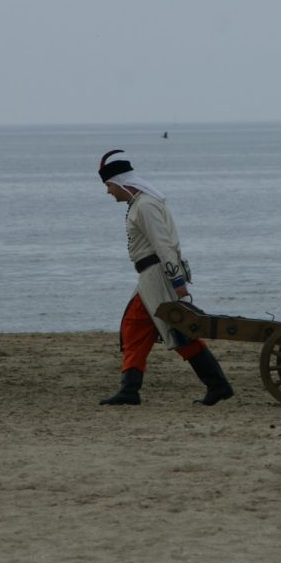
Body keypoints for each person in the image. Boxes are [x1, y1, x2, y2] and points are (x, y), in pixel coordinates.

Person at [97, 149, 234, 407]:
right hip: (149, 278)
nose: (108, 192)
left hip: (158, 276)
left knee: (178, 331)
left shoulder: (145, 206)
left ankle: (218, 385)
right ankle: (130, 389)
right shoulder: (141, 204)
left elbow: (163, 246)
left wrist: (177, 283)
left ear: (120, 183)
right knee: (134, 327)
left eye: (109, 186)